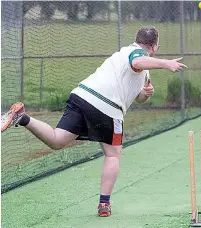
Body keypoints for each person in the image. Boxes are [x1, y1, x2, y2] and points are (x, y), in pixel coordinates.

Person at [1, 26, 187, 217]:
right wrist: (166, 63)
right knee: (113, 154)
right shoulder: (135, 54)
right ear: (155, 47)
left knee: (57, 140)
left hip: (81, 96)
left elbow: (137, 95)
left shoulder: (131, 59)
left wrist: (145, 94)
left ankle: (23, 118)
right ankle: (104, 204)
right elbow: (137, 60)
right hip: (107, 107)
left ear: (137, 38)